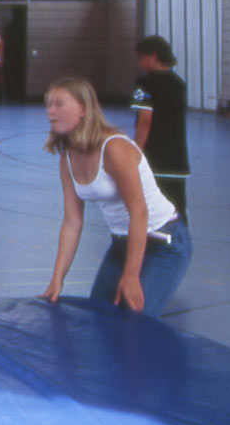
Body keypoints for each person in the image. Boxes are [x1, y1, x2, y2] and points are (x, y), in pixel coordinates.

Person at [42, 77, 189, 315]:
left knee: (135, 321)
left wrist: (131, 275)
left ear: (83, 109)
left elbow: (139, 213)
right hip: (122, 243)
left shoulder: (114, 148)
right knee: (98, 316)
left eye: (58, 104)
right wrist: (58, 277)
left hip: (162, 242)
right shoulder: (67, 157)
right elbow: (72, 221)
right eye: (48, 104)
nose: (50, 111)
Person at [132, 35, 190, 222]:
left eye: (142, 58)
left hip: (153, 159)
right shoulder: (179, 83)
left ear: (153, 56)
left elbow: (144, 121)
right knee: (178, 209)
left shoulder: (145, 83)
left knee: (150, 210)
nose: (141, 63)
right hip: (177, 161)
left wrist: (135, 153)